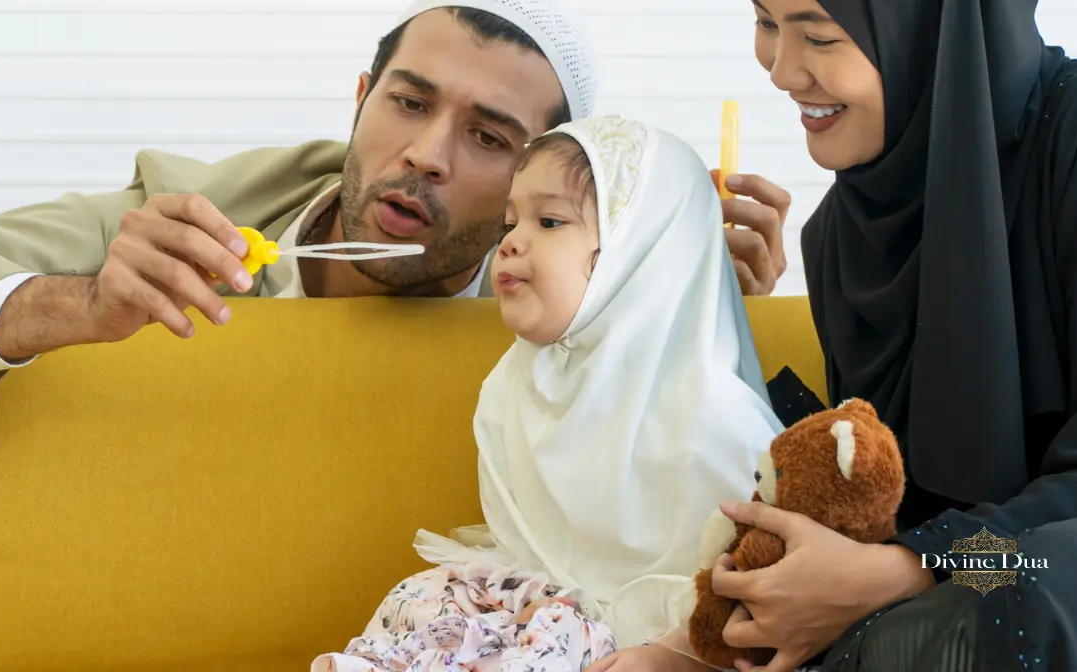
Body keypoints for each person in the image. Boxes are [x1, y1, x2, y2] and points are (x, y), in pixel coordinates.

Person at [0, 0, 791, 476]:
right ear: (360, 99)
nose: (426, 154)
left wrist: (704, 322)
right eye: (409, 102)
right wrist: (69, 307)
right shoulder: (183, 222)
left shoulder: (574, 291)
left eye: (487, 137)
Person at [671, 0, 1077, 671]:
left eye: (819, 35)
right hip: (956, 579)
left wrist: (912, 567)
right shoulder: (839, 239)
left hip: (1067, 563)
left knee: (1041, 583)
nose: (781, 70)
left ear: (932, 26)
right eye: (765, 23)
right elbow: (878, 504)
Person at [310, 115, 783, 672]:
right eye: (511, 222)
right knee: (420, 599)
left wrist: (671, 653)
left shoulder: (715, 416)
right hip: (549, 614)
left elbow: (760, 584)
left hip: (671, 643)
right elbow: (525, 551)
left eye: (550, 221)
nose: (510, 242)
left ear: (639, 255)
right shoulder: (513, 382)